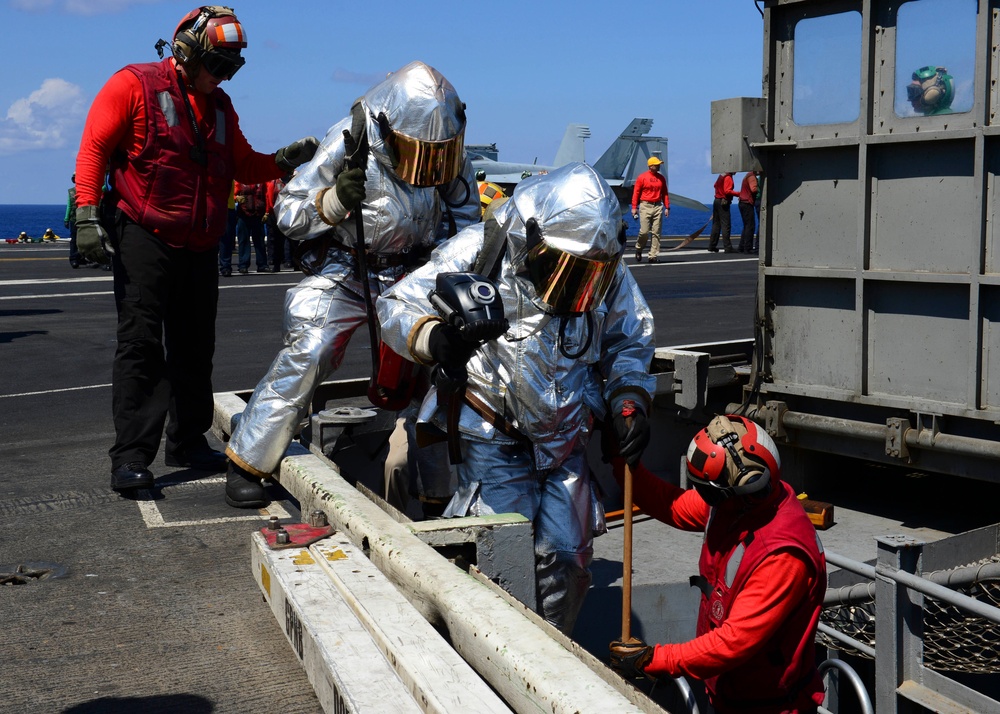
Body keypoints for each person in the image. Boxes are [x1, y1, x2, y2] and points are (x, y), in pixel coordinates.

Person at [377, 162, 656, 634]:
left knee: (568, 560)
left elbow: (628, 339)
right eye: (565, 269)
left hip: (565, 441)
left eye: (586, 274)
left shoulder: (605, 265)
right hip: (491, 434)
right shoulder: (485, 245)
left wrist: (629, 397)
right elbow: (398, 304)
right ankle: (496, 669)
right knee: (500, 568)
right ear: (533, 240)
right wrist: (434, 338)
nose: (575, 284)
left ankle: (547, 666)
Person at [74, 5, 319, 494]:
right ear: (187, 51)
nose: (223, 76)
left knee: (194, 348)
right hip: (146, 235)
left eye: (232, 68)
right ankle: (130, 458)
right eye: (218, 64)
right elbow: (95, 146)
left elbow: (241, 164)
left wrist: (280, 161)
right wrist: (85, 212)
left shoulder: (222, 108)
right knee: (142, 345)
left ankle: (187, 441)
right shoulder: (134, 85)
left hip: (200, 244)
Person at [224, 60, 480, 509]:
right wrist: (334, 200)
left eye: (439, 152)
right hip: (348, 268)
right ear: (390, 127)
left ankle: (440, 491)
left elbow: (466, 222)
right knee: (312, 348)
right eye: (419, 150)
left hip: (414, 271)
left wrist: (451, 276)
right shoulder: (350, 139)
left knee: (443, 363)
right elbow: (288, 213)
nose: (430, 163)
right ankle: (248, 458)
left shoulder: (448, 155)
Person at [608, 415, 827, 714]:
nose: (703, 498)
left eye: (706, 491)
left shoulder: (782, 558)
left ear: (729, 492)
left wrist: (653, 660)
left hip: (769, 706)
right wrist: (621, 459)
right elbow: (671, 505)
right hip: (729, 695)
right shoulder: (741, 503)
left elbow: (733, 642)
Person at [631, 156, 670, 264]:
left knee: (656, 232)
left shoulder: (661, 178)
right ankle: (639, 248)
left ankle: (653, 255)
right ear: (651, 166)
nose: (658, 166)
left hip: (658, 206)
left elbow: (665, 193)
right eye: (657, 164)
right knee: (644, 231)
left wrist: (667, 207)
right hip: (645, 206)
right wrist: (634, 207)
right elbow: (636, 193)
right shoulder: (642, 177)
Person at [234, 181, 268, 272]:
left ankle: (262, 265)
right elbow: (233, 194)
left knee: (260, 240)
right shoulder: (240, 181)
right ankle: (243, 265)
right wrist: (237, 198)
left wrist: (267, 212)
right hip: (244, 214)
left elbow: (266, 196)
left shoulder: (262, 181)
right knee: (243, 240)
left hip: (258, 214)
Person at [264, 173, 290, 272]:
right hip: (275, 214)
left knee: (290, 239)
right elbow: (270, 198)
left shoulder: (290, 182)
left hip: (287, 213)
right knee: (277, 240)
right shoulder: (274, 183)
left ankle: (289, 260)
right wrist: (271, 211)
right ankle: (276, 264)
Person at [708, 172, 738, 253]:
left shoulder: (721, 175)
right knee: (726, 225)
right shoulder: (728, 177)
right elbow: (727, 191)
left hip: (716, 200)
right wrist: (739, 194)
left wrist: (719, 192)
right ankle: (728, 247)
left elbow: (715, 185)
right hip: (723, 202)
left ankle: (712, 245)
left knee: (716, 224)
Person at [218, 181, 239, 277]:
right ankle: (224, 266)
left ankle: (225, 266)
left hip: (227, 208)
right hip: (216, 208)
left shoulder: (230, 177)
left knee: (226, 240)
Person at [737, 171, 759, 254]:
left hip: (742, 202)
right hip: (747, 203)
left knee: (746, 226)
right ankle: (747, 248)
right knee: (750, 226)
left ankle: (742, 247)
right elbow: (753, 189)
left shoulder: (747, 175)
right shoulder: (751, 176)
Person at [66, 173, 81, 267]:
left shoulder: (86, 189)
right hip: (74, 218)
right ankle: (74, 259)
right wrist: (66, 218)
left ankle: (82, 257)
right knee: (74, 239)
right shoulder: (71, 191)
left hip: (83, 217)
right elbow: (69, 206)